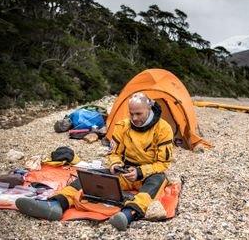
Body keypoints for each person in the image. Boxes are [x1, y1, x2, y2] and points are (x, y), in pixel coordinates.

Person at [16, 92, 174, 231]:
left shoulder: (163, 129)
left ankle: (128, 214)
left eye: (138, 114)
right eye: (131, 114)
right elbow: (114, 153)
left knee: (158, 180)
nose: (134, 118)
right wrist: (115, 164)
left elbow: (163, 163)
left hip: (148, 174)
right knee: (88, 176)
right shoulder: (122, 126)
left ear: (149, 109)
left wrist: (141, 172)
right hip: (125, 172)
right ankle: (56, 204)